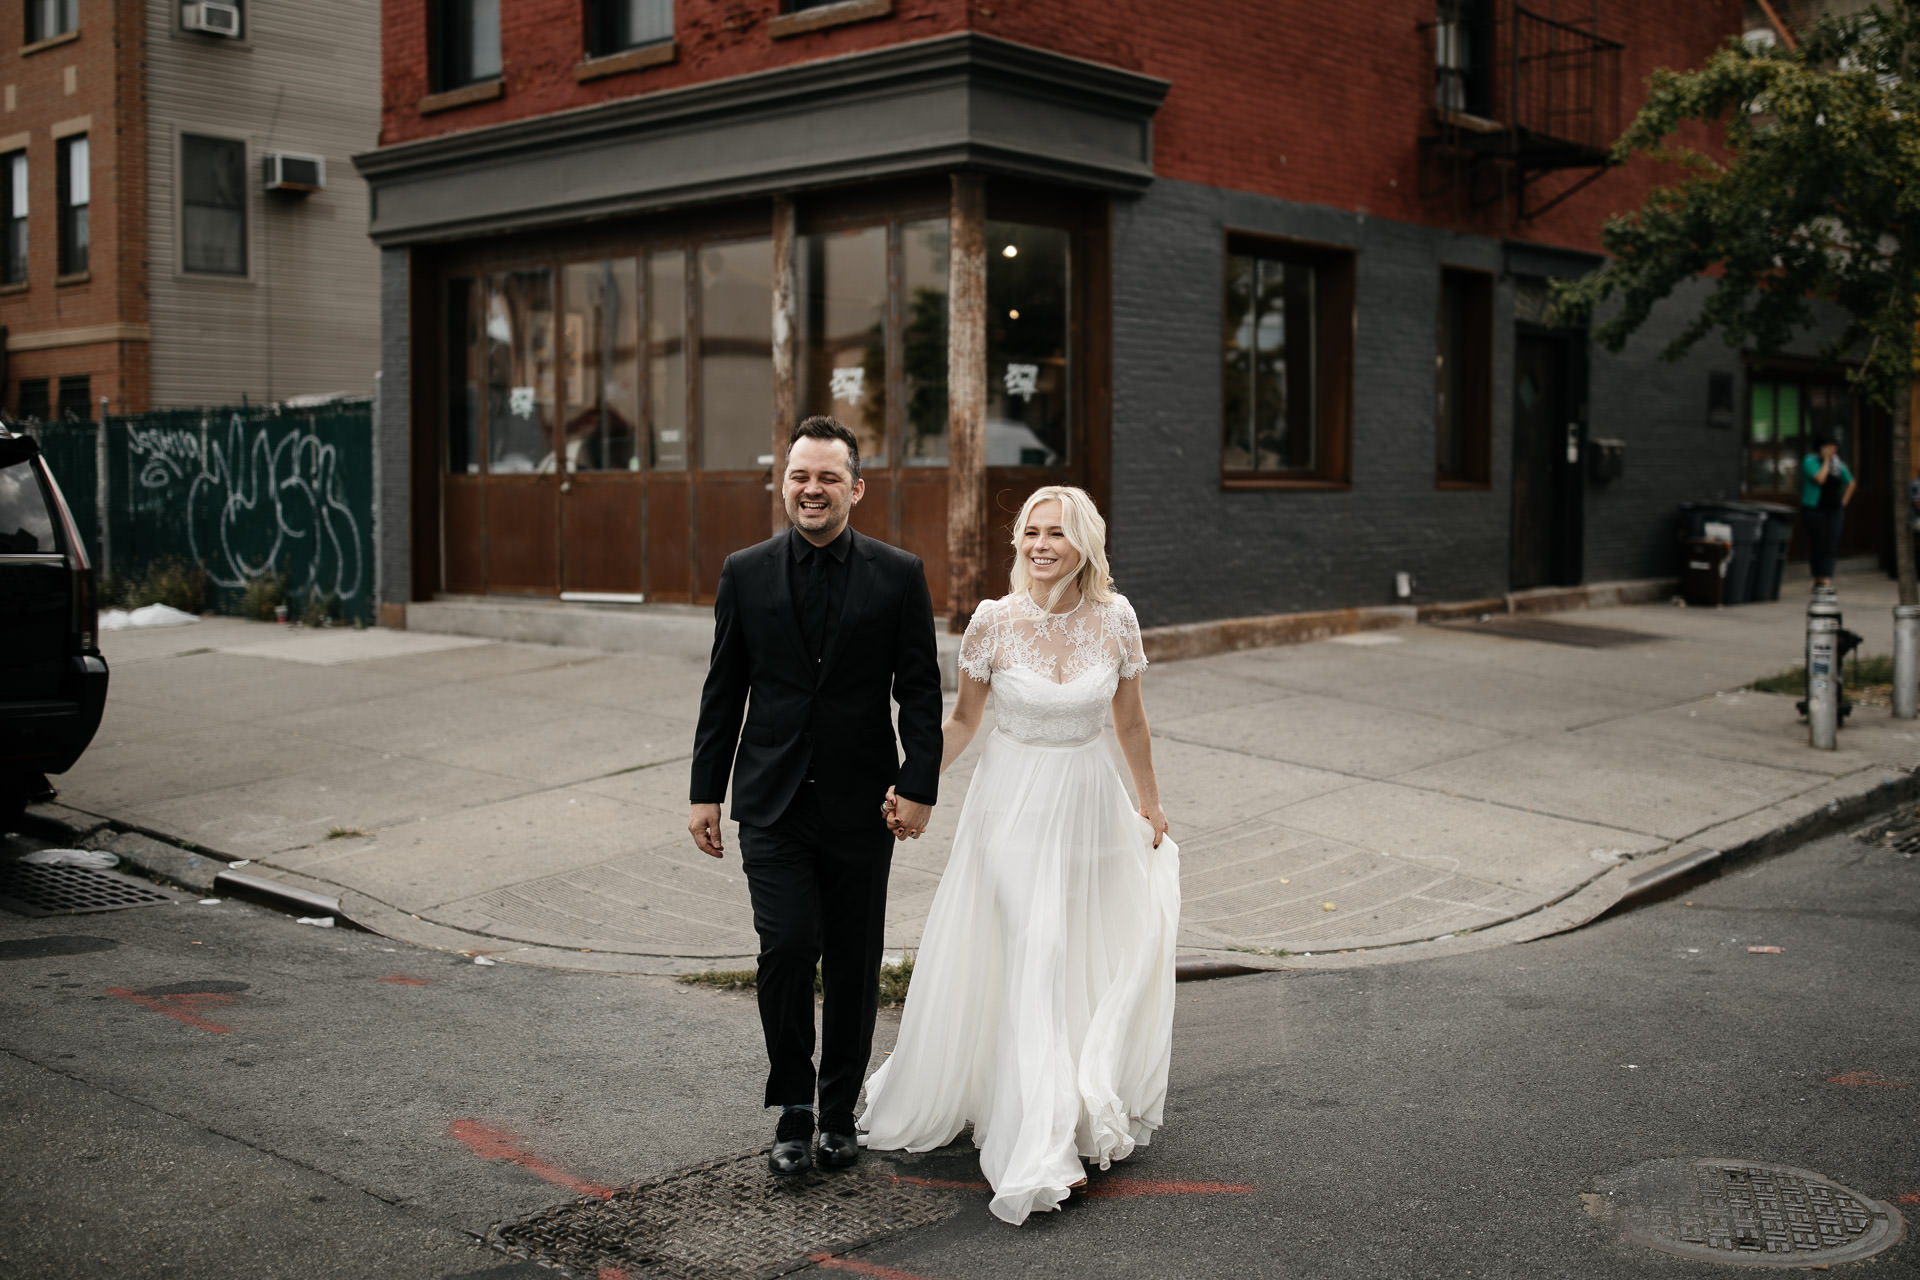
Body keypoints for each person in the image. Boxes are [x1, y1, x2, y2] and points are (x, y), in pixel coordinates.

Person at [860, 485, 1180, 1226]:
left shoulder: (1116, 619)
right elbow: (965, 720)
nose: (1039, 546)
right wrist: (915, 783)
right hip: (1009, 808)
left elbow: (1131, 722)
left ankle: (1063, 1100)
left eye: (1056, 535)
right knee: (1034, 947)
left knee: (1070, 952)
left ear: (1084, 546)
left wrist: (1150, 802)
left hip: (1089, 805)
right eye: (1030, 533)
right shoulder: (993, 622)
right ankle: (1033, 1141)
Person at [687, 415, 943, 1178]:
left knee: (856, 961)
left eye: (829, 477)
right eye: (801, 475)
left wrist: (919, 782)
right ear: (784, 483)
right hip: (771, 802)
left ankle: (839, 1114)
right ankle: (794, 1107)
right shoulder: (746, 571)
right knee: (790, 947)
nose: (813, 489)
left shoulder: (898, 574)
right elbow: (723, 690)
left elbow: (921, 691)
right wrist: (705, 791)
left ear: (855, 489)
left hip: (865, 805)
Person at [1800, 435, 1856, 589]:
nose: (1832, 450)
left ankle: (1826, 579)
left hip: (1834, 510)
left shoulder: (1838, 464)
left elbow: (1850, 482)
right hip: (1815, 509)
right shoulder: (1810, 461)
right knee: (1817, 543)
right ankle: (1817, 576)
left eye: (1834, 447)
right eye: (1829, 447)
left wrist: (1843, 503)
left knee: (1831, 543)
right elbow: (1820, 479)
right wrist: (1825, 461)